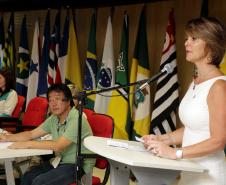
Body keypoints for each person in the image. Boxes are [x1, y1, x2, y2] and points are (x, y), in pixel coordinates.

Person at [142, 17, 226, 185]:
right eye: (187, 38)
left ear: (210, 45)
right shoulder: (195, 81)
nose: (187, 43)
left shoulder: (219, 86)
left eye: (194, 39)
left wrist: (176, 153)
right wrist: (163, 140)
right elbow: (194, 127)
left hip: (209, 176)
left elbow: (219, 140)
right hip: (189, 170)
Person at [0, 83, 95, 185]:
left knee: (39, 182)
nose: (53, 104)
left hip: (77, 165)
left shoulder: (76, 118)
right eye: (50, 100)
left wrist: (28, 144)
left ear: (68, 101)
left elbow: (58, 146)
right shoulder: (54, 118)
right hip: (60, 161)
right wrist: (7, 137)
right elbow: (31, 134)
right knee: (27, 177)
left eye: (57, 99)